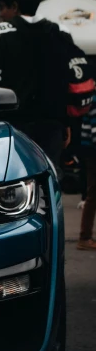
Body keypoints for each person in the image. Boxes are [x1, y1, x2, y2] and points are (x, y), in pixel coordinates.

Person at [0, 0, 73, 175]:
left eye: (2, 7)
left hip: (14, 125)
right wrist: (66, 123)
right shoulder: (61, 32)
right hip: (52, 126)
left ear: (14, 6)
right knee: (50, 177)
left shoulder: (2, 32)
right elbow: (66, 83)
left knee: (15, 178)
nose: (0, 14)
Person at [78, 94, 96, 250]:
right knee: (93, 194)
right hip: (93, 151)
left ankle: (85, 236)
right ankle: (85, 237)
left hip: (89, 150)